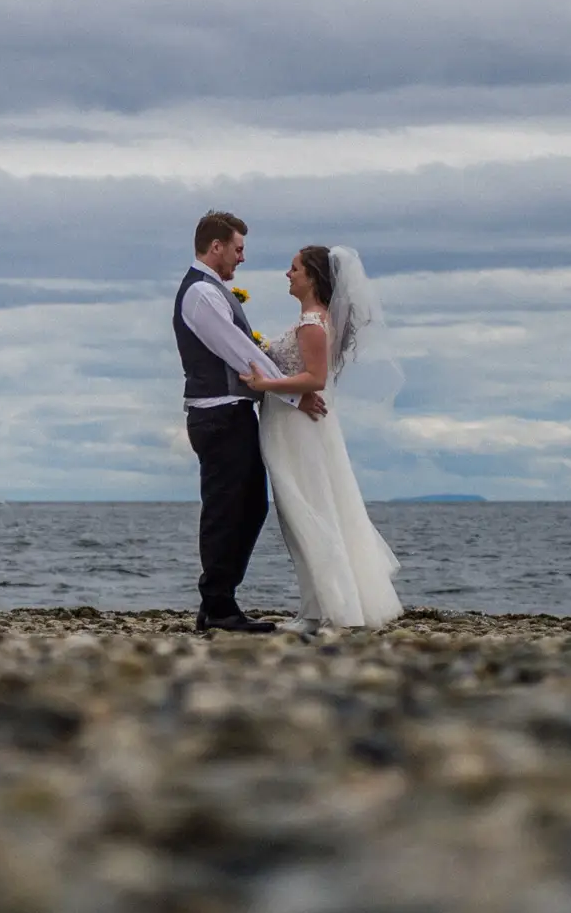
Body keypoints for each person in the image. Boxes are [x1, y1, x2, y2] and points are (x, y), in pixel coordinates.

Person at [171, 210, 325, 633]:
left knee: (249, 505)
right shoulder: (201, 295)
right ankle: (217, 605)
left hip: (230, 412)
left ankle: (220, 600)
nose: (242, 257)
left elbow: (246, 351)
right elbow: (240, 352)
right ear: (216, 246)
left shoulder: (213, 291)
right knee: (227, 508)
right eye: (238, 249)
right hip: (217, 413)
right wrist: (296, 393)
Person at [241, 245, 404, 630]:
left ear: (312, 277)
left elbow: (314, 378)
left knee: (309, 511)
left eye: (294, 268)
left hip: (299, 430)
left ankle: (325, 610)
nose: (288, 274)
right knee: (305, 511)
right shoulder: (312, 320)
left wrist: (266, 382)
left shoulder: (313, 323)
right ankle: (320, 606)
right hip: (293, 426)